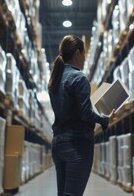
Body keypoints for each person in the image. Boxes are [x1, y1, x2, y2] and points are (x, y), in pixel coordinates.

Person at [48, 35, 112, 196]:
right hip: (77, 145)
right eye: (84, 54)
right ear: (77, 53)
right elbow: (85, 113)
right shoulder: (79, 77)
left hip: (58, 143)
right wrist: (103, 119)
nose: (84, 59)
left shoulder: (55, 78)